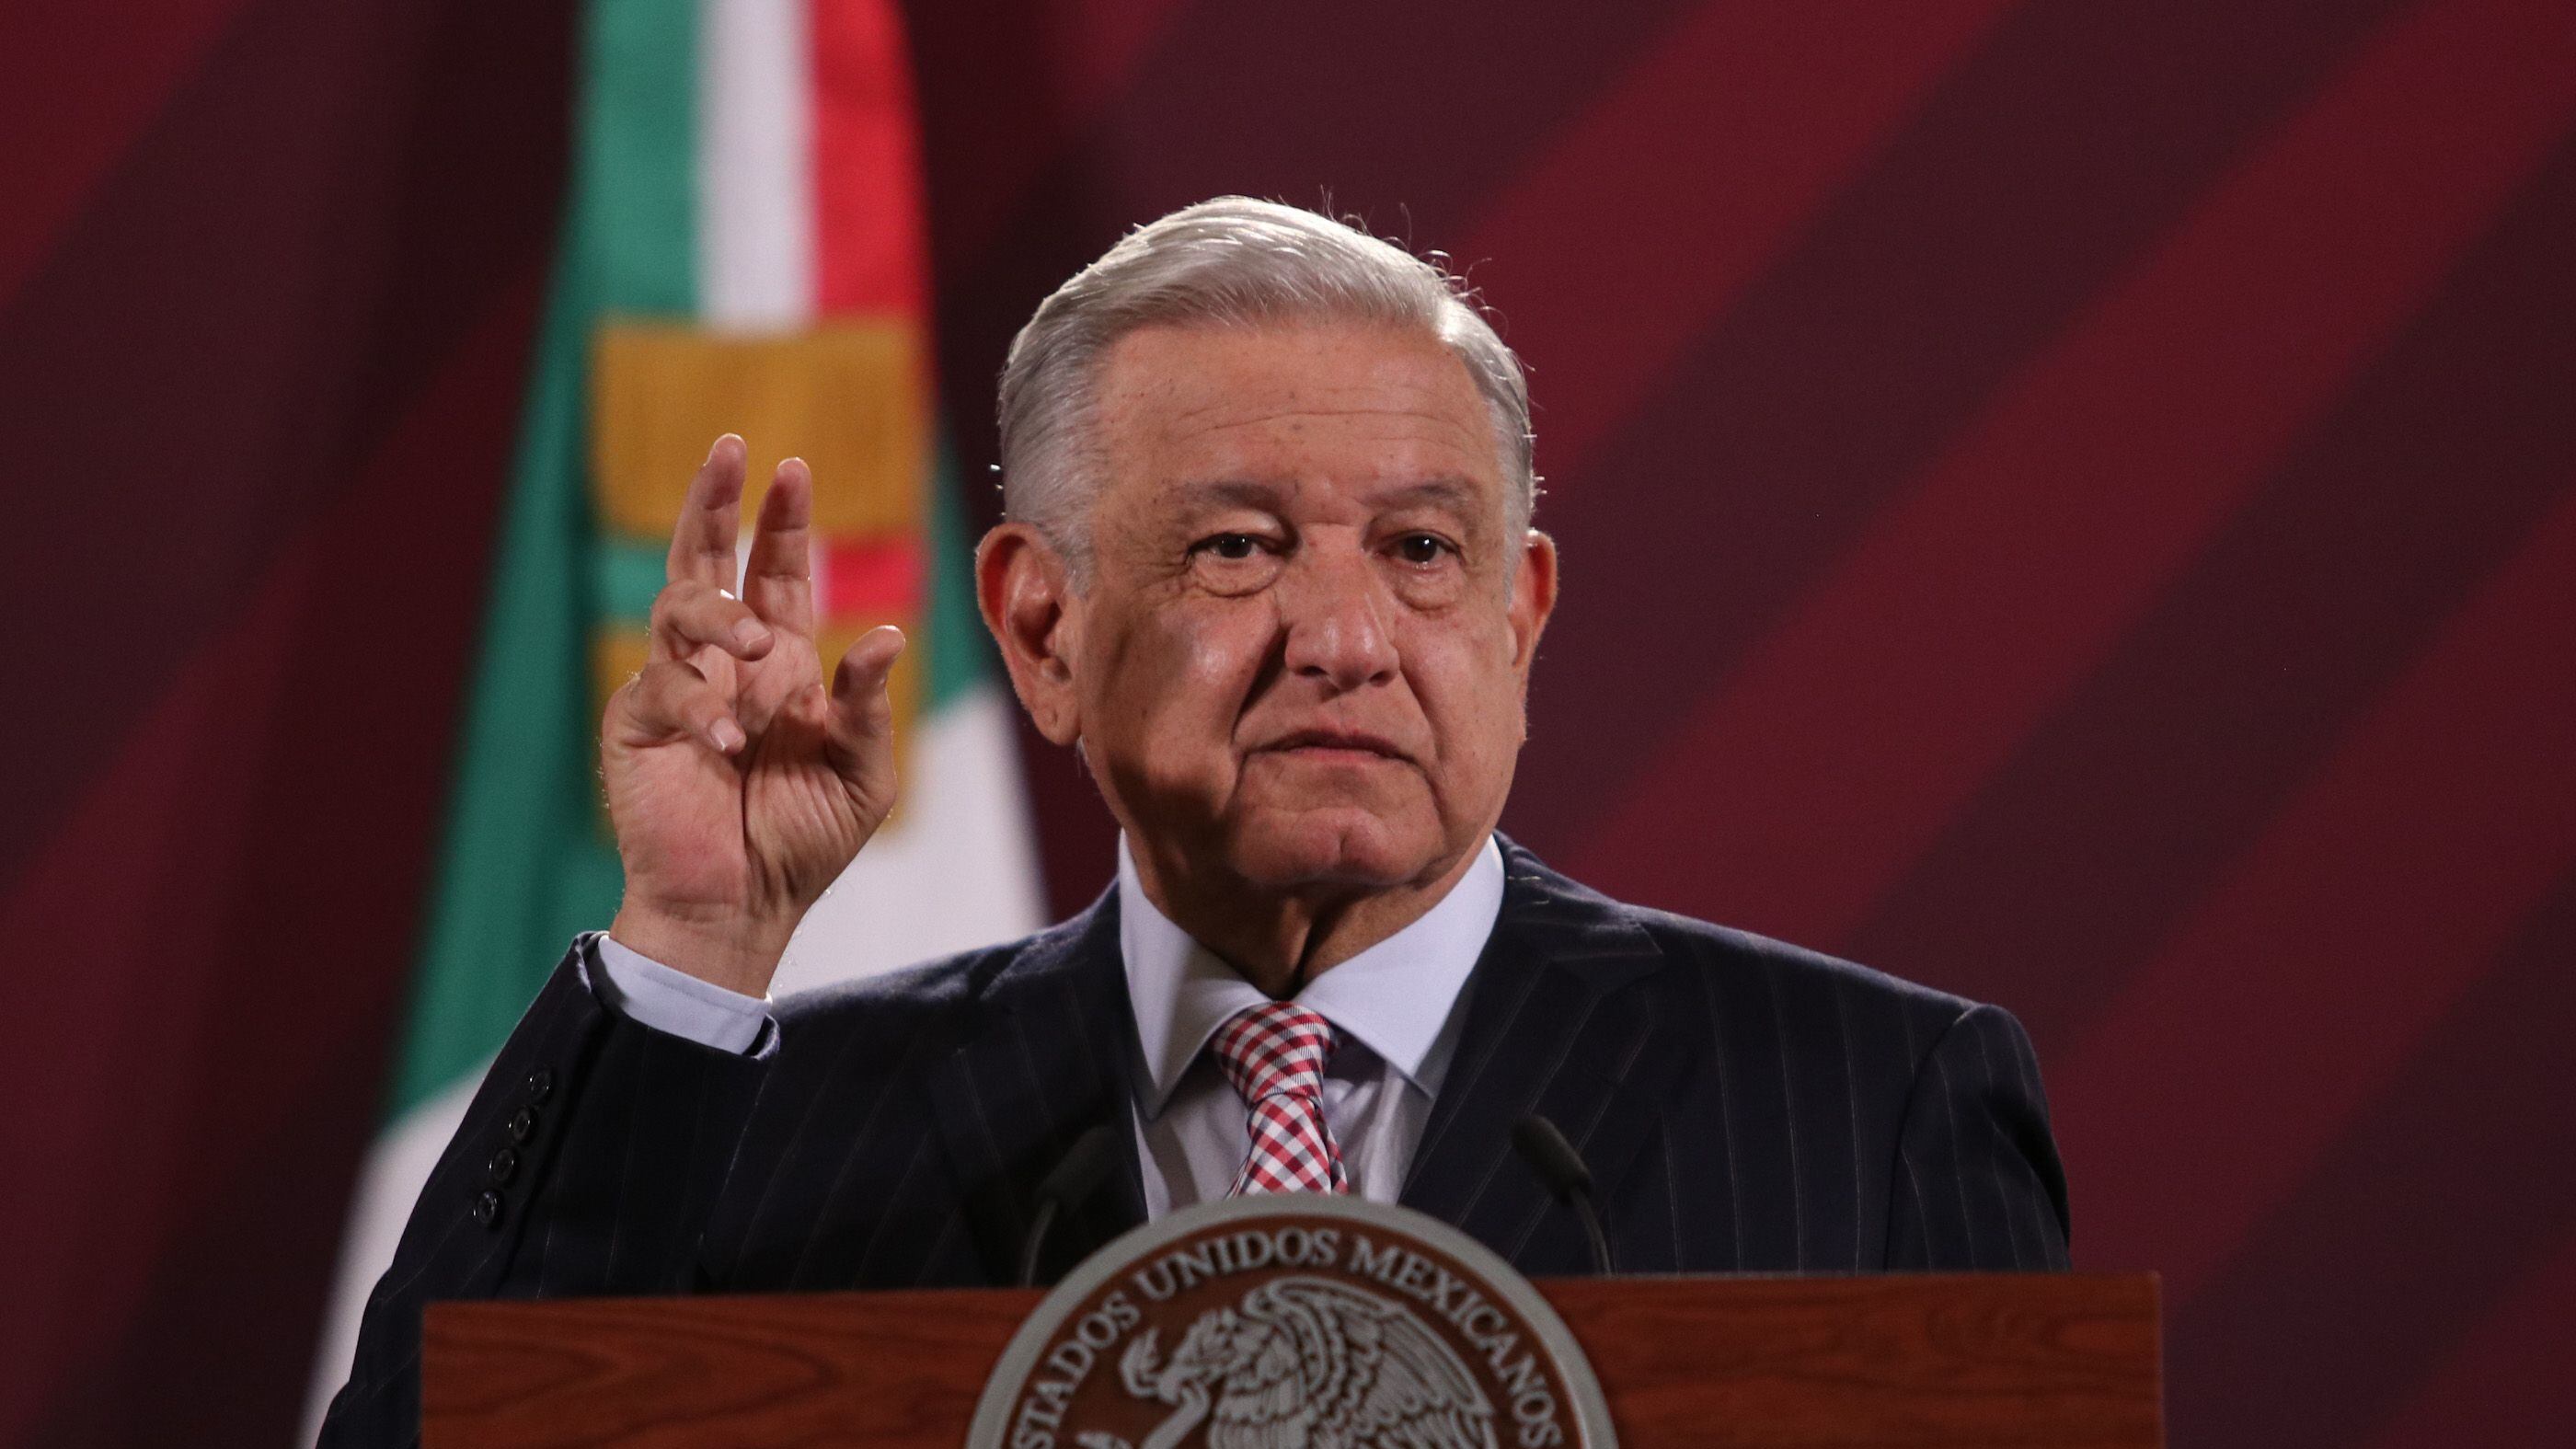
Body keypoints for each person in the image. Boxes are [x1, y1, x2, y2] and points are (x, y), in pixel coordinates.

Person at [322, 198, 2068, 1443]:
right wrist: (696, 939)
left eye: (1422, 551)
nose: (1347, 637)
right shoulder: (767, 1127)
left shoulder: (1871, 1113)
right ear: (1039, 627)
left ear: (1521, 615)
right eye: (1238, 547)